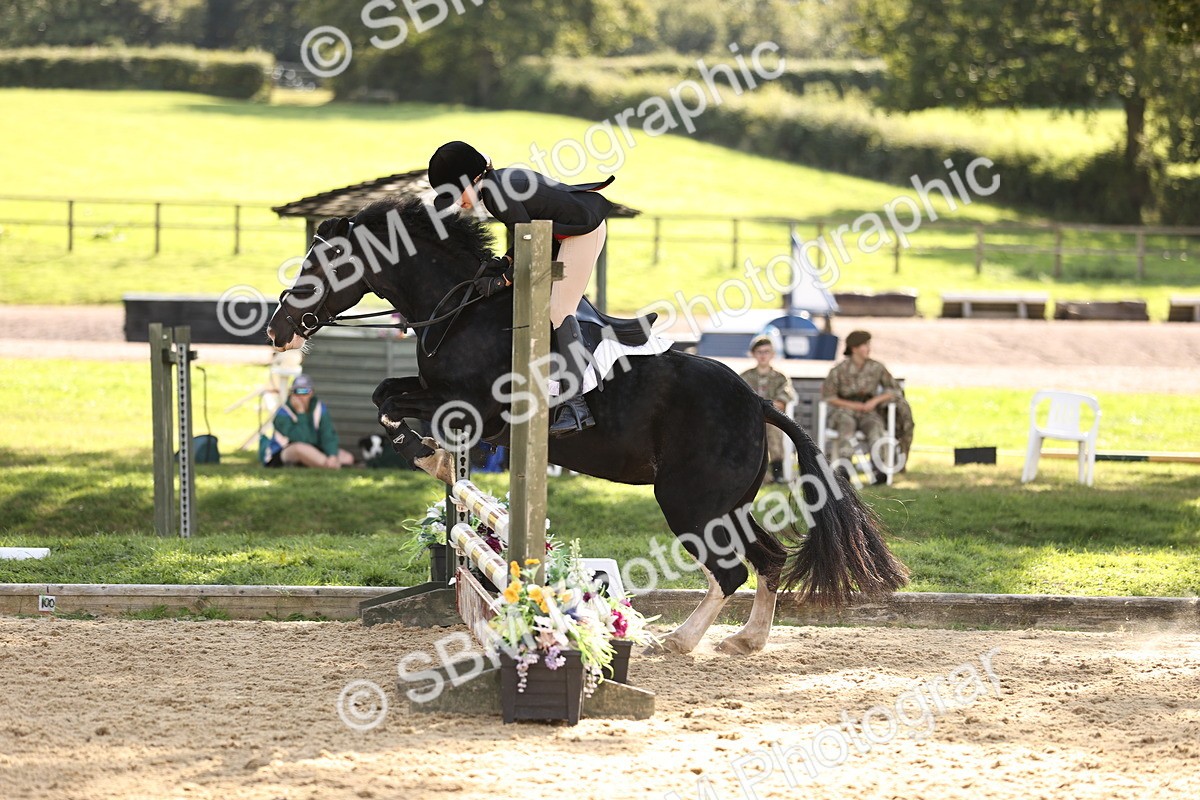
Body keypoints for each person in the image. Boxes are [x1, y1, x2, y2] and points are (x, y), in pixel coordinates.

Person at [427, 140, 615, 438]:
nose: (456, 202)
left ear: (470, 180)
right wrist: (506, 261)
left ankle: (577, 405)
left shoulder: (496, 193)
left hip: (583, 233)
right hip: (561, 236)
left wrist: (502, 280)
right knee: (537, 290)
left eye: (454, 193)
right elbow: (526, 235)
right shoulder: (496, 185)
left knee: (558, 308)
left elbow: (531, 250)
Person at [822, 330, 914, 483]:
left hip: (868, 410)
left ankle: (879, 469)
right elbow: (829, 397)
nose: (868, 348)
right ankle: (845, 468)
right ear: (854, 348)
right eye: (865, 345)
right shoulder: (839, 370)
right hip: (844, 410)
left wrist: (874, 401)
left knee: (875, 427)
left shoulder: (876, 367)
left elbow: (894, 389)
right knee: (846, 426)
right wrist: (854, 405)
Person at [739, 335, 797, 483]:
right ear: (753, 354)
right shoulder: (745, 377)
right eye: (759, 352)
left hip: (773, 418)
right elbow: (739, 399)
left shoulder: (780, 377)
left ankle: (777, 472)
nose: (763, 355)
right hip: (750, 419)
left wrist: (766, 407)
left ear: (773, 354)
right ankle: (750, 474)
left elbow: (783, 399)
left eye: (766, 351)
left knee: (772, 429)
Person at [268, 375, 355, 469]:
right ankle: (329, 466)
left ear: (312, 393)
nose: (300, 396)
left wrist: (332, 455)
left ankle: (324, 462)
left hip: (313, 447)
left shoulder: (319, 408)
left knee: (347, 458)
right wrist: (301, 413)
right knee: (299, 448)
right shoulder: (283, 413)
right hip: (283, 452)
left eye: (305, 391)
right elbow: (301, 438)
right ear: (291, 393)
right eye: (297, 391)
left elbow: (328, 435)